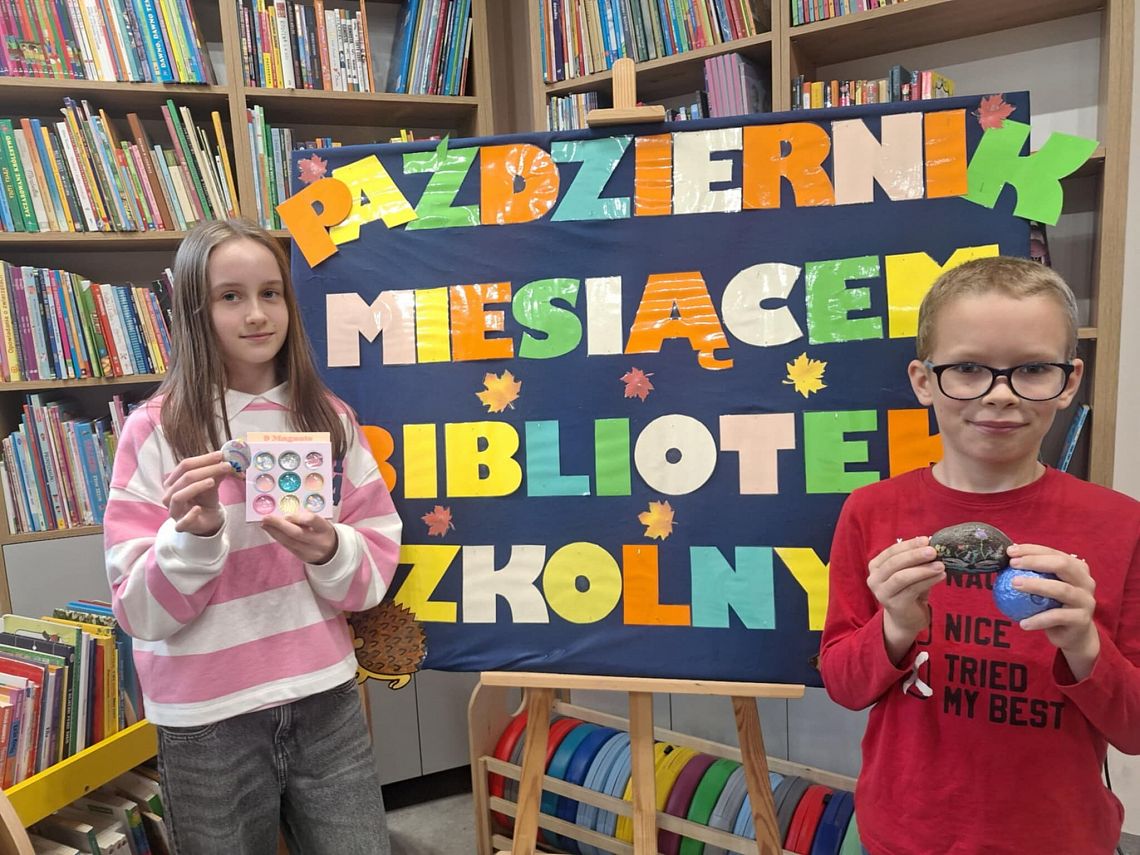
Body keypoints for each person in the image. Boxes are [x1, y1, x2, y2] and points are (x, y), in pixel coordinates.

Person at [819, 256, 1139, 855]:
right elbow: (843, 685)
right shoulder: (871, 511)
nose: (999, 395)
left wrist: (1084, 644)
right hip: (906, 834)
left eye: (1032, 369)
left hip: (1058, 838)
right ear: (923, 380)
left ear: (1069, 381)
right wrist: (896, 626)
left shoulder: (1121, 525)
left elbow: (1135, 730)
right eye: (967, 368)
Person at [103, 218, 402, 854]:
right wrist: (194, 539)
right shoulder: (155, 430)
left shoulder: (329, 418)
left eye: (271, 293)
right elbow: (138, 613)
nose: (258, 314)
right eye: (230, 296)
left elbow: (372, 572)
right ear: (195, 311)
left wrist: (330, 550)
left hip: (323, 695)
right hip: (205, 717)